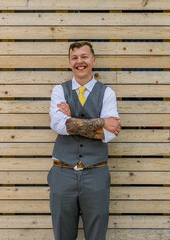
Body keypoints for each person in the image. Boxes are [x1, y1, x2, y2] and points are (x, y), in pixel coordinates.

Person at [48, 41, 121, 240]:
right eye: (74, 58)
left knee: (97, 235)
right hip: (62, 173)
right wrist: (100, 122)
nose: (80, 61)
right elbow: (60, 126)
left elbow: (110, 134)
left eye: (84, 56)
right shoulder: (59, 91)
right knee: (62, 234)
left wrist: (73, 121)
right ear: (70, 62)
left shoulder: (107, 93)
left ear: (93, 60)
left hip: (96, 173)